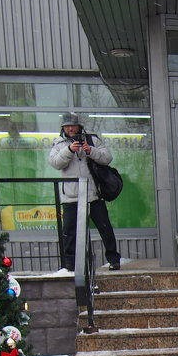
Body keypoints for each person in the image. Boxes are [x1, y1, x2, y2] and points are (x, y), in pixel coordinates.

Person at [48, 112, 120, 272]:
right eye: (67, 126)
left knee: (105, 227)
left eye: (72, 125)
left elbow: (107, 158)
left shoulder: (92, 139)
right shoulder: (59, 143)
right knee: (69, 232)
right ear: (63, 128)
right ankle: (70, 264)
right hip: (71, 197)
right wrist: (69, 150)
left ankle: (114, 259)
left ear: (79, 126)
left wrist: (90, 151)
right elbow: (55, 163)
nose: (70, 129)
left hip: (93, 194)